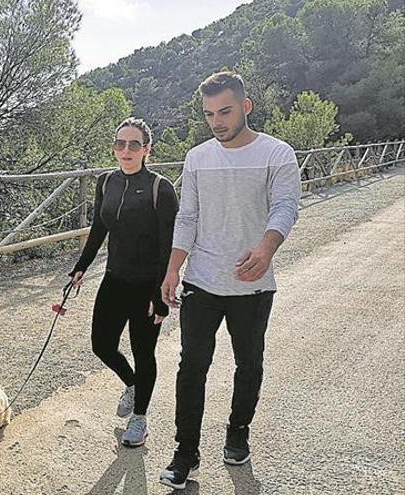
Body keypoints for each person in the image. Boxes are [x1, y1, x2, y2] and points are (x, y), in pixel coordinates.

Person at [157, 72, 301, 490]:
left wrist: (266, 248)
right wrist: (172, 267)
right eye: (209, 114)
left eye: (225, 111)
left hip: (253, 285)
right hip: (201, 281)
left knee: (249, 364)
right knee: (191, 368)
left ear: (245, 107)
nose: (217, 121)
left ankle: (238, 432)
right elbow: (189, 216)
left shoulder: (278, 153)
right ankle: (186, 452)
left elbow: (286, 206)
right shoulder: (198, 157)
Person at [69, 117, 179, 448]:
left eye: (134, 144)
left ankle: (140, 420)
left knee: (144, 352)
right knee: (101, 344)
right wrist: (81, 267)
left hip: (148, 285)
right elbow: (98, 230)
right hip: (114, 280)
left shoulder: (162, 188)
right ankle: (132, 384)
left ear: (147, 149)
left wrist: (161, 296)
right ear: (114, 148)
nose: (126, 150)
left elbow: (168, 245)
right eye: (120, 144)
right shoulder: (106, 183)